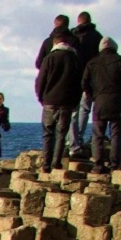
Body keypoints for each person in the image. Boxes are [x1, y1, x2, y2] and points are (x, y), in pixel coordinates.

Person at [84, 37, 121, 172]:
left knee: (97, 135)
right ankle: (114, 165)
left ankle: (98, 164)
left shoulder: (93, 62)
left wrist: (93, 96)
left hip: (99, 102)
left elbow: (84, 82)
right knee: (116, 135)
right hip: (117, 101)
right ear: (115, 48)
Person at [35, 29, 83, 168]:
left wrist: (41, 98)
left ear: (55, 44)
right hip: (67, 103)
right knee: (62, 134)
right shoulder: (75, 59)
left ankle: (46, 164)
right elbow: (79, 84)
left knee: (48, 134)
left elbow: (40, 81)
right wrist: (75, 101)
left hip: (49, 101)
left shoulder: (49, 58)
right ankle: (56, 163)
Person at [69, 11, 104, 146]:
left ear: (78, 21)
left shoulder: (72, 36)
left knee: (73, 111)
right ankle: (79, 137)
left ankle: (71, 140)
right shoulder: (97, 37)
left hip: (73, 77)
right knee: (85, 109)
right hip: (90, 78)